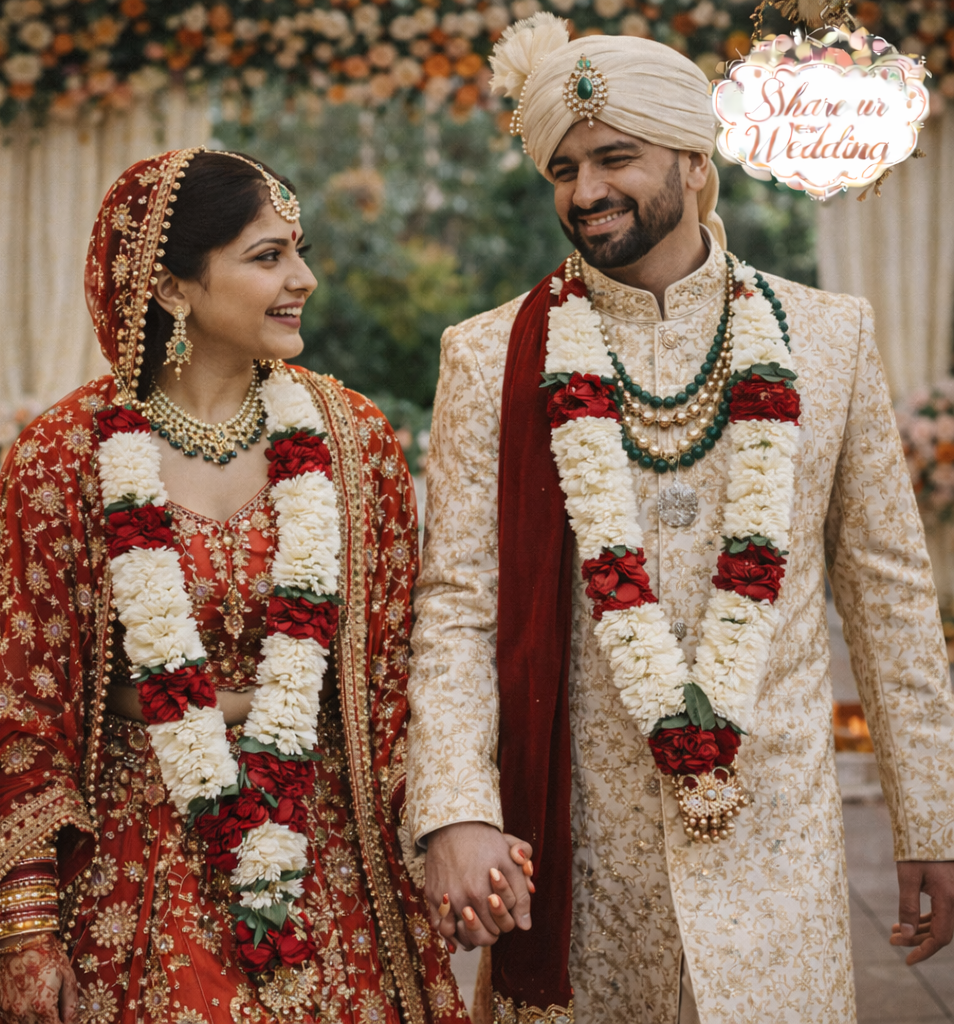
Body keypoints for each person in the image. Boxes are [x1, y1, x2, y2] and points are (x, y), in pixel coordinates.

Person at [406, 14, 954, 1024]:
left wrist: (933, 817)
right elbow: (458, 605)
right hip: (581, 850)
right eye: (562, 168)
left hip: (775, 846)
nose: (585, 191)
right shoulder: (489, 356)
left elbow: (888, 593)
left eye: (615, 158)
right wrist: (455, 808)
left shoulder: (827, 339)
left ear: (695, 163)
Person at [0, 148, 470, 1024]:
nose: (305, 278)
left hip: (325, 853)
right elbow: (14, 714)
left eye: (298, 250)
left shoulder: (352, 441)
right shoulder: (64, 456)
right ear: (173, 287)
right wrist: (27, 931)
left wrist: (452, 825)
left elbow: (400, 675)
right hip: (134, 863)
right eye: (268, 257)